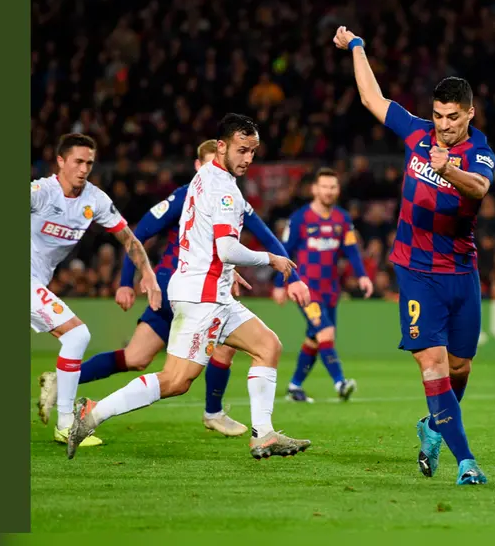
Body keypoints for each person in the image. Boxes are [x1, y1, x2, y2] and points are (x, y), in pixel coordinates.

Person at [67, 114, 312, 460]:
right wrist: (269, 259)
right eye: (242, 150)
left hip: (210, 289)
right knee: (175, 381)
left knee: (267, 346)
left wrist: (225, 271)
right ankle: (92, 412)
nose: (248, 159)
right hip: (203, 296)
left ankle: (263, 434)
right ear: (221, 146)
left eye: (253, 152)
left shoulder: (203, 177)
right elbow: (226, 248)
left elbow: (201, 236)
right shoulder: (224, 189)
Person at [335, 26, 495, 485]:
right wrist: (358, 47)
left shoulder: (479, 151)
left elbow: (480, 188)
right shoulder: (417, 133)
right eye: (438, 115)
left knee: (460, 367)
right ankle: (466, 462)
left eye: (453, 117)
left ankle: (433, 426)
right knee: (433, 365)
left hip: (461, 272)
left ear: (470, 113)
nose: (444, 125)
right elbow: (372, 98)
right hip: (415, 270)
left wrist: (451, 171)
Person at [31, 133, 162, 448]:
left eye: (89, 163)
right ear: (60, 161)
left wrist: (148, 274)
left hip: (37, 280)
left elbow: (129, 239)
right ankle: (66, 425)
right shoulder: (42, 192)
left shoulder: (95, 200)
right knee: (77, 335)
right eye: (78, 161)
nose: (84, 169)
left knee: (75, 337)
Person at [275, 167, 373, 403]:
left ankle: (294, 386)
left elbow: (352, 250)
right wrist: (280, 284)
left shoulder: (343, 219)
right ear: (314, 189)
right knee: (325, 332)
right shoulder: (300, 218)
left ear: (338, 190)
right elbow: (284, 252)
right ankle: (340, 383)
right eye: (324, 187)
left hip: (331, 289)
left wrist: (362, 275)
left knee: (315, 338)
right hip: (307, 288)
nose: (328, 191)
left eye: (333, 187)